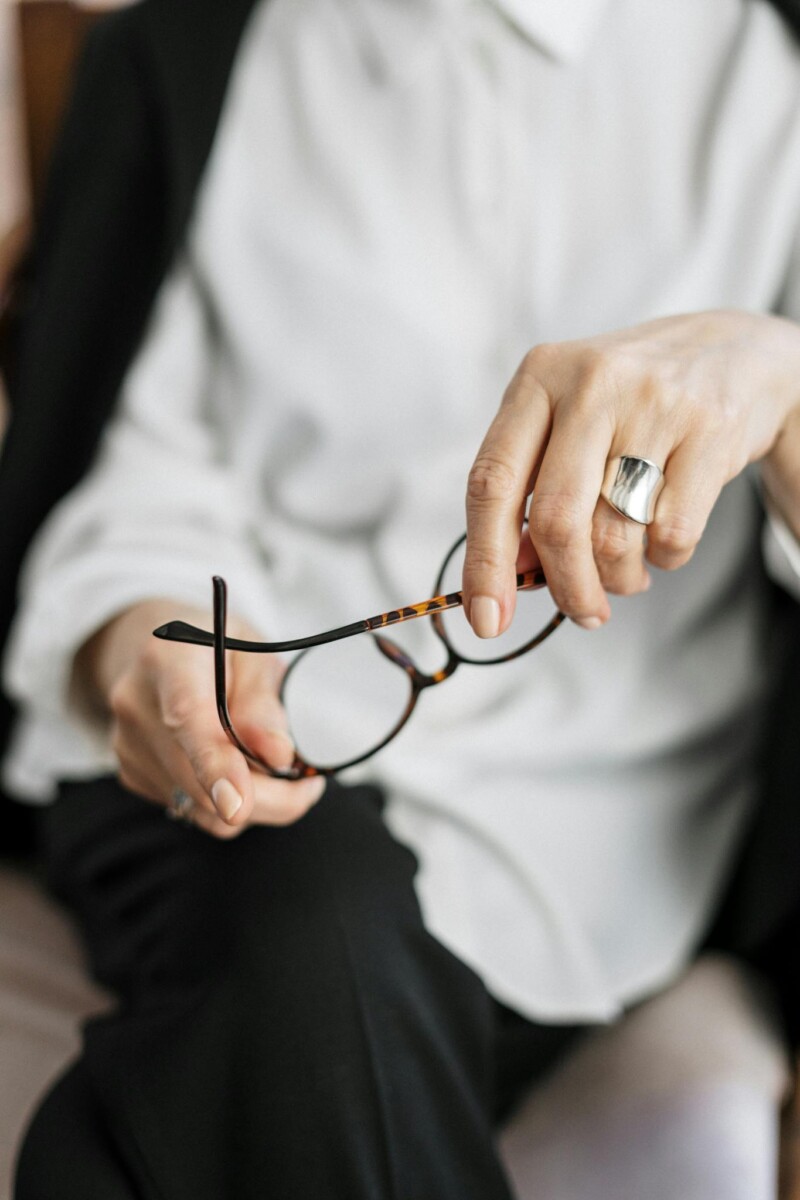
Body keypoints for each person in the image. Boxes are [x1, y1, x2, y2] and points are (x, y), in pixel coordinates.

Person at [3, 0, 800, 1196]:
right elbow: (139, 482)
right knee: (312, 908)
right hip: (214, 791)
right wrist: (144, 642)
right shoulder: (192, 52)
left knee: (171, 1094)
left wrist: (780, 388)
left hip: (609, 851)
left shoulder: (764, 74)